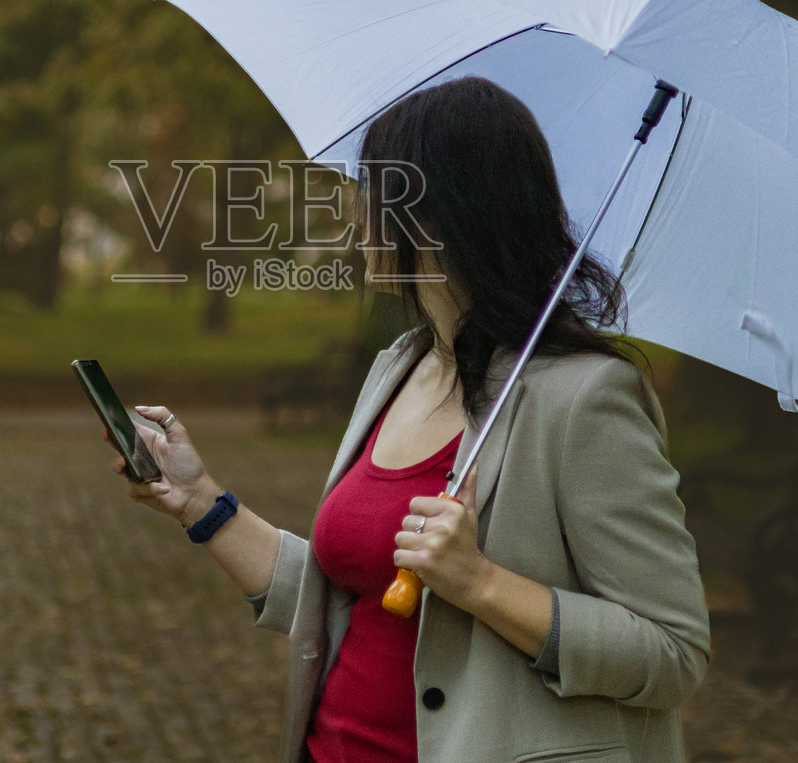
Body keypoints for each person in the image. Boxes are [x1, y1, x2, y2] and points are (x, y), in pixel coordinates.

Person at [105, 77, 710, 762]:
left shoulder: (585, 397)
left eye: (373, 192)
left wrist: (481, 582)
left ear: (435, 217)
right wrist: (199, 501)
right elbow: (352, 595)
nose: (357, 216)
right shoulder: (401, 365)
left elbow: (672, 651)